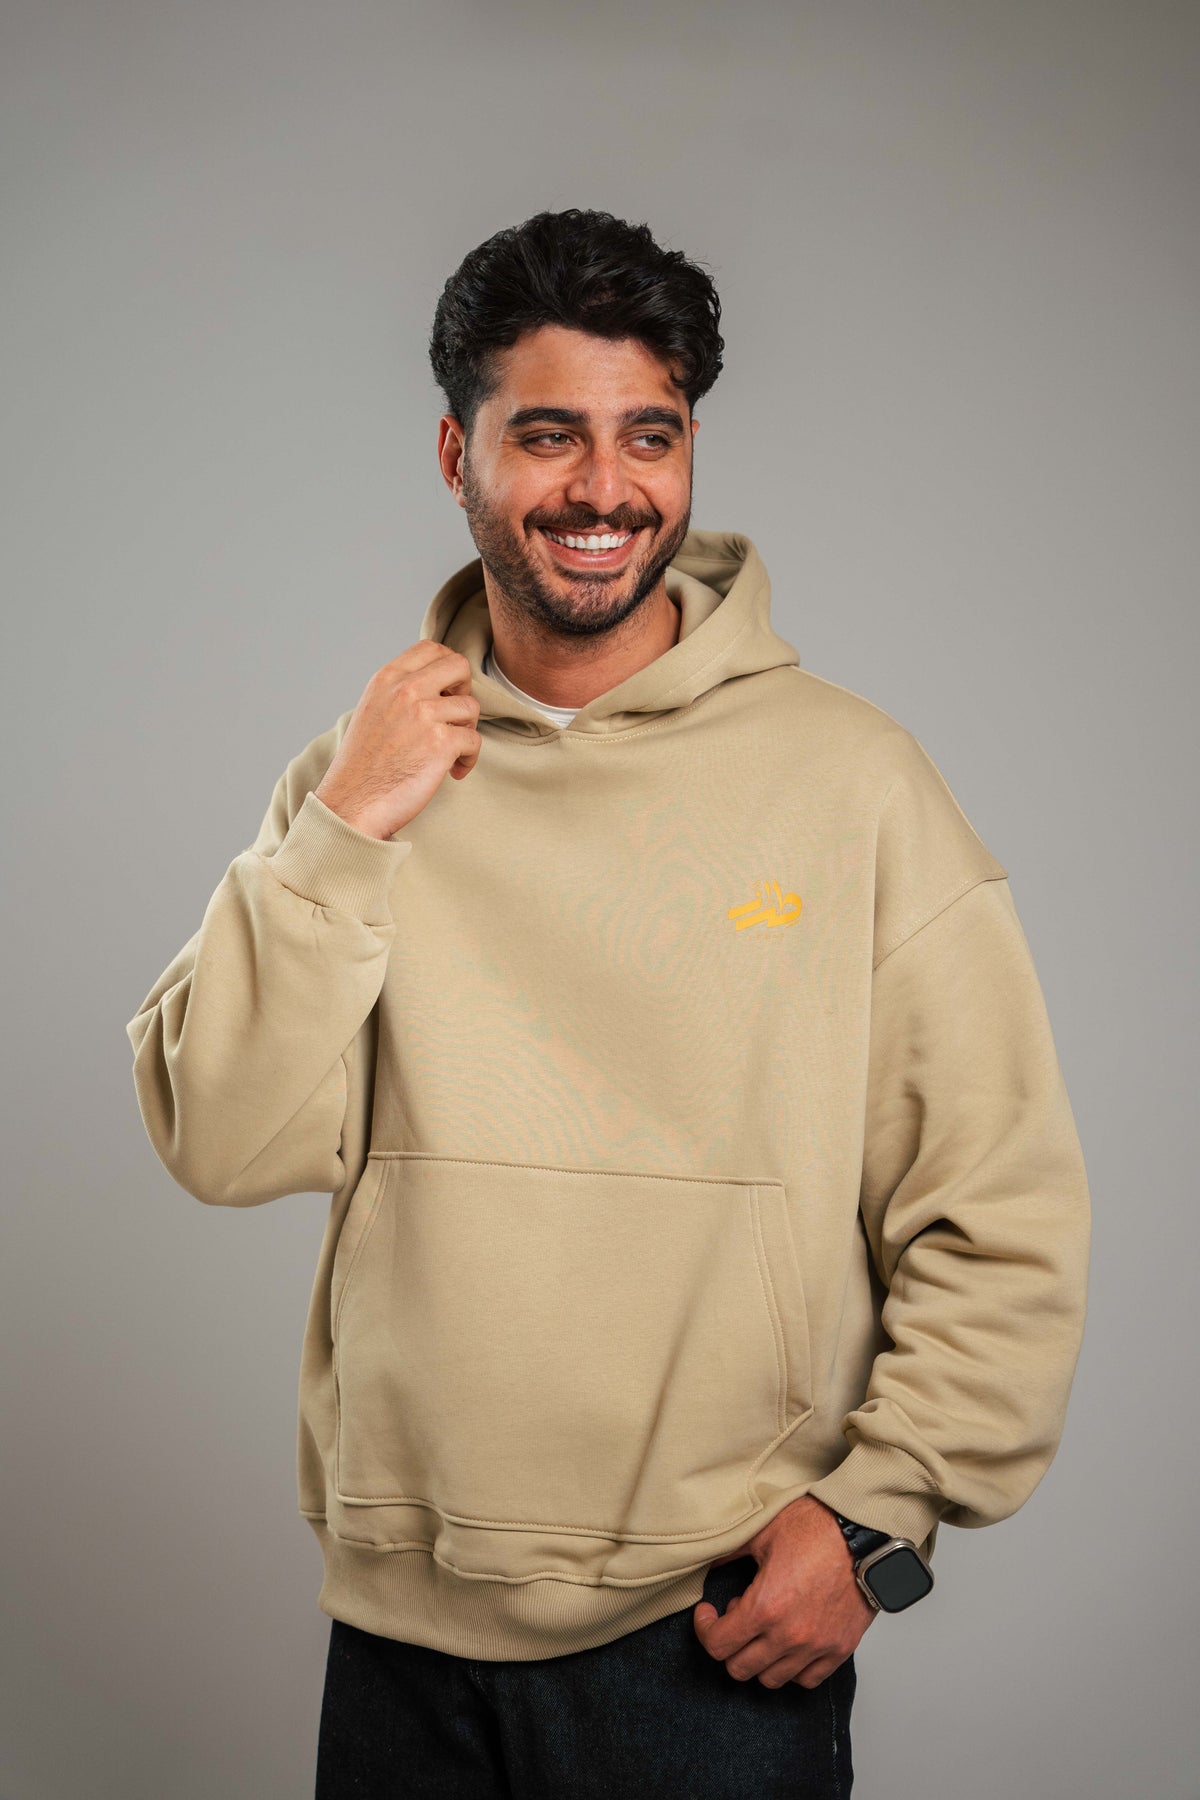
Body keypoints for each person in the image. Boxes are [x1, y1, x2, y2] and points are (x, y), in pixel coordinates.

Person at [125, 207, 1091, 1798]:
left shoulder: (852, 782)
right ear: (459, 453)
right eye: (549, 434)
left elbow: (1003, 1207)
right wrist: (346, 826)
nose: (604, 488)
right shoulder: (362, 782)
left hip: (711, 1625)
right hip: (402, 1623)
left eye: (651, 434)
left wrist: (878, 1516)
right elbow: (220, 1139)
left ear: (690, 447)